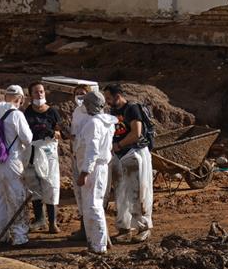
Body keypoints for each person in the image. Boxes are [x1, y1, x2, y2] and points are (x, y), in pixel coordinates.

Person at [0, 84, 35, 246]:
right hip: (12, 162)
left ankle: (2, 235)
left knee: (0, 199)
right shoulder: (16, 115)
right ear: (19, 99)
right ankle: (20, 237)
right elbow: (27, 138)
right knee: (17, 198)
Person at [104, 81, 154, 243]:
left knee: (137, 192)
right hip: (119, 156)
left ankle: (143, 227)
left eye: (109, 97)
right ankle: (124, 228)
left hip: (134, 153)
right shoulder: (112, 111)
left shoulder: (132, 109)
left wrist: (118, 145)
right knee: (120, 192)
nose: (107, 101)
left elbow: (136, 133)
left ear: (118, 96)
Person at [70, 90, 117, 254]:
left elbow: (92, 150)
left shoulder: (94, 124)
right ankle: (98, 242)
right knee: (93, 205)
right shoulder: (106, 122)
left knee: (93, 206)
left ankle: (98, 246)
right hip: (100, 166)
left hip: (93, 168)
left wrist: (84, 172)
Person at [22, 82, 66, 233]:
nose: (39, 94)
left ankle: (53, 222)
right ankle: (40, 219)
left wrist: (53, 133)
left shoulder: (52, 112)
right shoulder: (27, 112)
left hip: (48, 151)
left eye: (41, 92)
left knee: (50, 183)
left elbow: (61, 133)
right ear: (30, 95)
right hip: (32, 151)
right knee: (34, 184)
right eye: (36, 92)